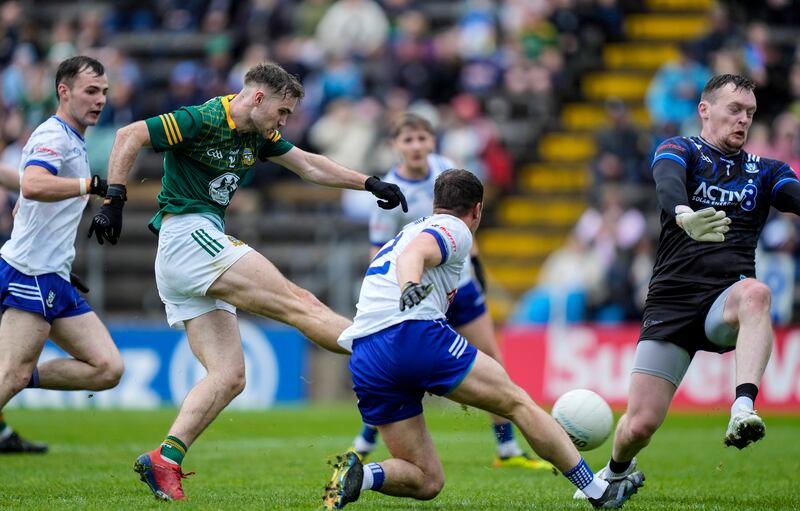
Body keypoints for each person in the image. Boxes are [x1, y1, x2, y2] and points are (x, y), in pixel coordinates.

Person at [86, 61, 407, 502]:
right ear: (258, 98)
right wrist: (114, 200)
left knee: (229, 375)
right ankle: (389, 353)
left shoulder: (260, 133)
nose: (285, 121)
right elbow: (129, 135)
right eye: (283, 111)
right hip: (189, 237)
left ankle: (165, 458)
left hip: (185, 254)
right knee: (299, 302)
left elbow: (309, 166)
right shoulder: (201, 119)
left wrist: (368, 183)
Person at [323, 169, 644, 510]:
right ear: (477, 210)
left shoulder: (408, 230)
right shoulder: (454, 228)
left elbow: (409, 252)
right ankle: (598, 491)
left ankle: (359, 475)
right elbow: (413, 255)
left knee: (427, 480)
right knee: (517, 402)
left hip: (366, 354)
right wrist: (410, 285)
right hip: (411, 333)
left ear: (435, 203)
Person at [577, 74, 800, 498]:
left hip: (726, 302)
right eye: (734, 109)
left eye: (750, 113)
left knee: (757, 293)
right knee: (639, 425)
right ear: (705, 110)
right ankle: (615, 471)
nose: (743, 119)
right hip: (672, 301)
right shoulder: (679, 149)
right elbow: (667, 182)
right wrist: (683, 215)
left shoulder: (766, 171)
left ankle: (743, 407)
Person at [351, 112, 553, 471]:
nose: (416, 146)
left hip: (461, 286)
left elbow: (464, 225)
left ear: (433, 141)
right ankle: (366, 441)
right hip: (419, 296)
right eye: (408, 140)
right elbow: (380, 250)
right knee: (399, 373)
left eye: (422, 138)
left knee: (492, 358)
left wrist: (476, 264)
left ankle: (506, 448)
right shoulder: (390, 193)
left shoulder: (446, 171)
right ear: (395, 146)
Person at [0, 56, 123, 453]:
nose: (100, 100)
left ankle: (19, 377)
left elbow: (28, 191)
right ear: (63, 92)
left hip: (53, 274)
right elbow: (34, 184)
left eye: (104, 92)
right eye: (91, 91)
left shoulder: (73, 139)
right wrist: (91, 185)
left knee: (107, 367)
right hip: (31, 274)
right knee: (10, 376)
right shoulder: (54, 135)